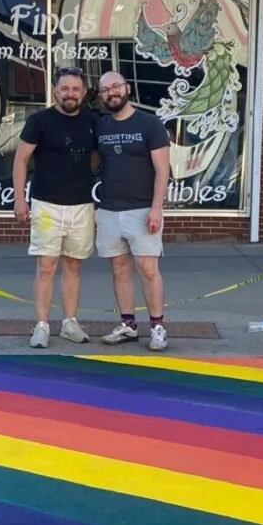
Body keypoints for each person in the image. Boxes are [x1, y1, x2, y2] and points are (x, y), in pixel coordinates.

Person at [13, 67, 97, 348]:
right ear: (55, 92)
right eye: (65, 89)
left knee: (73, 265)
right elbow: (20, 160)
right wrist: (20, 198)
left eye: (75, 89)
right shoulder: (39, 121)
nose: (70, 94)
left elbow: (97, 158)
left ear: (83, 93)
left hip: (82, 205)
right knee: (46, 267)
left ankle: (70, 323)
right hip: (46, 205)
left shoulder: (93, 121)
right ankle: (42, 326)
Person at [95, 71, 171, 351]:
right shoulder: (100, 126)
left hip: (142, 209)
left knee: (148, 270)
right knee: (119, 269)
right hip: (109, 209)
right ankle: (128, 325)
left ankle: (158, 327)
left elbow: (162, 170)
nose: (112, 92)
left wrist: (156, 208)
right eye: (105, 90)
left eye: (116, 86)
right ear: (101, 96)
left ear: (127, 88)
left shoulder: (150, 124)